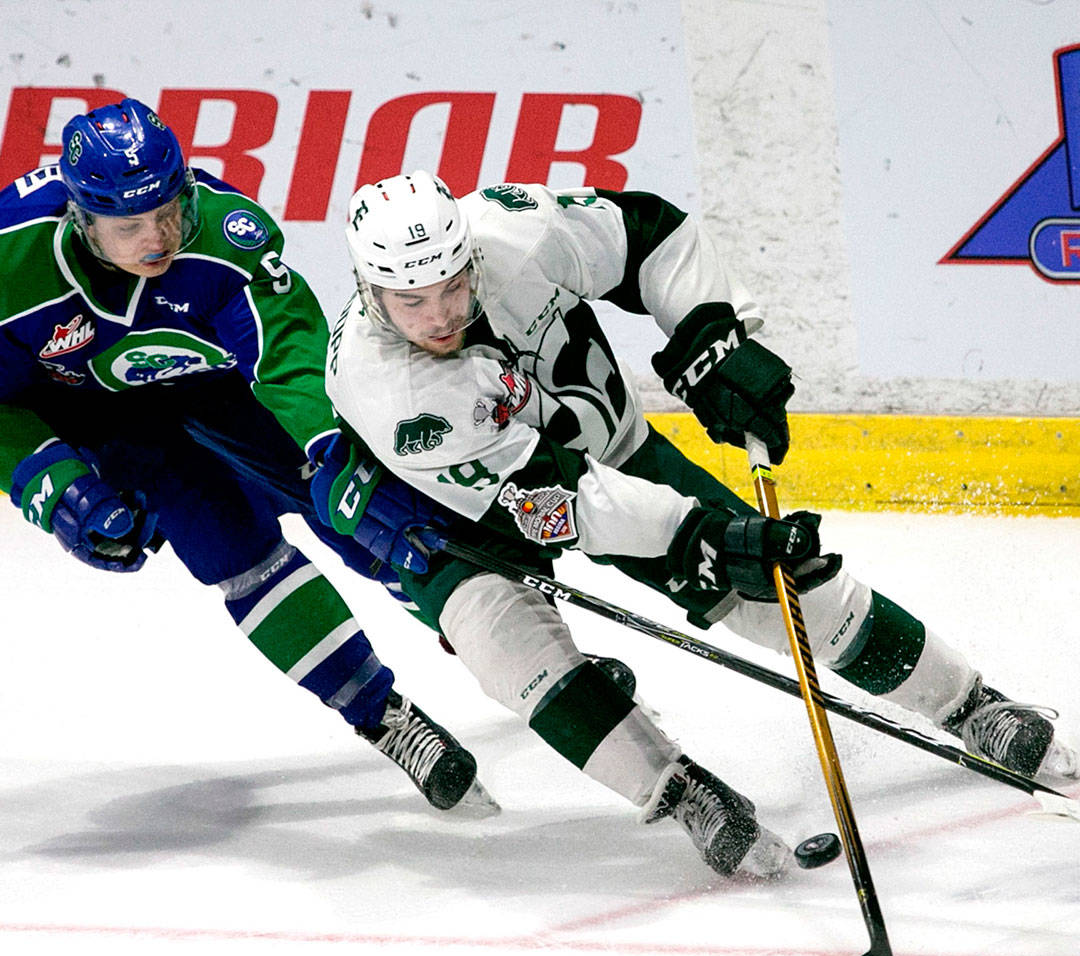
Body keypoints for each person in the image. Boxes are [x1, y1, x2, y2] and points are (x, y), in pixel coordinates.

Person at [313, 169, 1078, 878]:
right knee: (505, 649)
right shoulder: (388, 390)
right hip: (464, 518)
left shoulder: (513, 229)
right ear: (367, 287)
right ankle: (680, 792)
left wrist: (711, 339)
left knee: (785, 589)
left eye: (452, 284)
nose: (441, 313)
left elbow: (651, 233)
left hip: (609, 452)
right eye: (411, 301)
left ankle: (972, 704)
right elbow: (559, 503)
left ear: (468, 255)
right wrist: (698, 534)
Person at [0, 100, 496, 814]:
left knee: (361, 507)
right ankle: (386, 718)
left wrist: (327, 449)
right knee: (234, 552)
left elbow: (286, 351)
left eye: (168, 211)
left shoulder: (225, 233)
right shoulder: (1, 276)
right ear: (80, 219)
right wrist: (53, 481)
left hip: (219, 385)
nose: (158, 238)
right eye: (130, 226)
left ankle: (504, 645)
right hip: (108, 419)